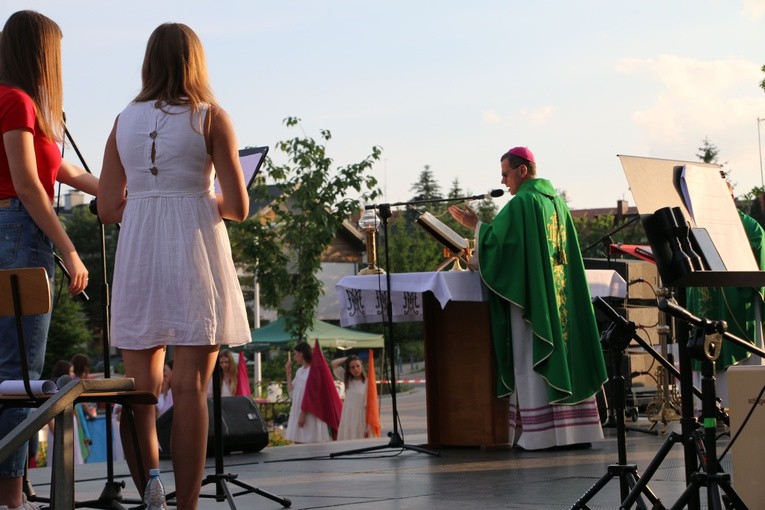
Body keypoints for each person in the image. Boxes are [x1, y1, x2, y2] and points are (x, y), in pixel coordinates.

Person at [97, 22, 250, 508]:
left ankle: (151, 494)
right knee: (190, 388)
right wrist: (198, 199)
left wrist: (146, 206)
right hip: (194, 250)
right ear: (195, 61)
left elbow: (105, 207)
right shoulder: (211, 118)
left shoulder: (123, 120)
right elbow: (239, 208)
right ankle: (186, 505)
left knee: (140, 391)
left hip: (140, 249)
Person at [448, 146, 607, 450]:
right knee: (566, 352)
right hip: (560, 297)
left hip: (533, 302)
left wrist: (475, 226)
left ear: (523, 170)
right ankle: (576, 431)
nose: (504, 182)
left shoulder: (523, 202)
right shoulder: (556, 203)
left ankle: (542, 434)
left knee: (529, 353)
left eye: (506, 174)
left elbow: (501, 246)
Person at [0, 10, 96, 509]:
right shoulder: (15, 101)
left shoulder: (17, 105)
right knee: (18, 376)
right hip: (19, 230)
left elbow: (63, 171)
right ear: (40, 54)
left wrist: (125, 190)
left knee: (7, 372)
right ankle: (11, 500)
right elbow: (29, 186)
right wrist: (70, 247)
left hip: (11, 227)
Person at [687, 183, 765, 408]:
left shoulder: (748, 227)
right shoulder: (696, 226)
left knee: (742, 362)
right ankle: (709, 410)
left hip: (738, 306)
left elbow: (754, 266)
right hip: (706, 301)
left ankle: (744, 410)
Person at [284, 342, 331, 443]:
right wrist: (288, 374)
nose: (294, 357)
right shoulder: (300, 371)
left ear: (302, 354)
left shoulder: (313, 371)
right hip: (298, 408)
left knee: (310, 441)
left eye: (295, 354)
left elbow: (313, 395)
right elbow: (292, 393)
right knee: (298, 441)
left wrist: (303, 413)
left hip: (309, 411)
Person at [331, 355, 372, 440]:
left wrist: (368, 426)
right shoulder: (348, 381)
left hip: (361, 419)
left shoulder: (368, 383)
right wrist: (348, 358)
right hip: (347, 417)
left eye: (357, 366)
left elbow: (370, 407)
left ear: (361, 365)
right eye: (352, 367)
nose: (356, 369)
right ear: (349, 370)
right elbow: (333, 364)